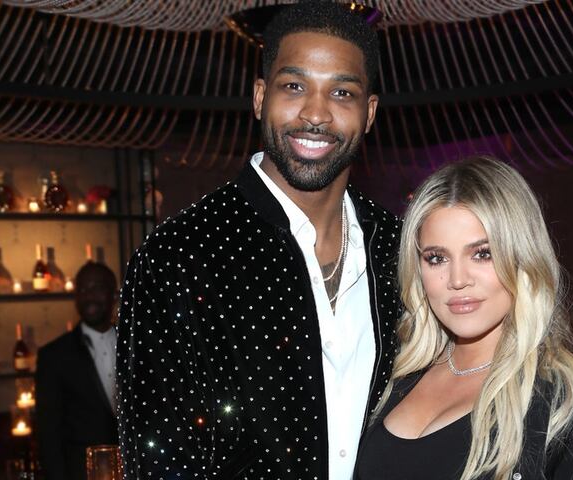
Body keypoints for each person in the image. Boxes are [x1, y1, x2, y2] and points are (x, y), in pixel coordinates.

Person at [115, 2, 401, 479]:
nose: (316, 113)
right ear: (260, 97)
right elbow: (161, 462)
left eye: (342, 92)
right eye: (294, 87)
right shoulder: (179, 256)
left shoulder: (399, 249)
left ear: (369, 113)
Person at [355, 156, 573, 480]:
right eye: (437, 258)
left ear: (523, 258)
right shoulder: (390, 374)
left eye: (482, 254)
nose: (458, 279)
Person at [35, 262, 119, 480]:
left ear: (114, 294)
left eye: (97, 288)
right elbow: (49, 436)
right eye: (82, 289)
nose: (88, 295)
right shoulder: (54, 356)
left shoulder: (135, 346)